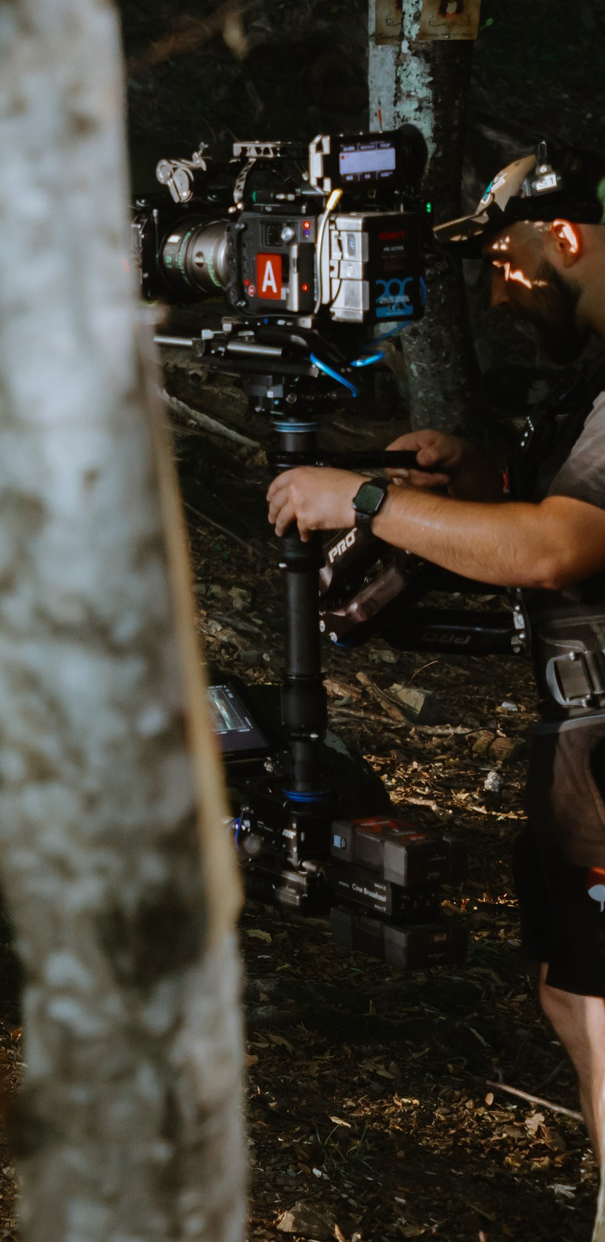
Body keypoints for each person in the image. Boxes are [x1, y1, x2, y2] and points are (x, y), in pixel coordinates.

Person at [266, 146, 605, 1196]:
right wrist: (477, 477)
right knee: (571, 994)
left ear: (562, 237)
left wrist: (359, 502)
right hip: (582, 754)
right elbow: (557, 503)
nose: (495, 290)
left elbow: (556, 547)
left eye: (501, 259)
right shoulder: (592, 365)